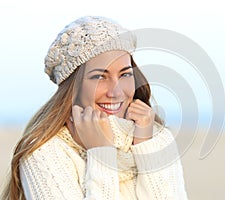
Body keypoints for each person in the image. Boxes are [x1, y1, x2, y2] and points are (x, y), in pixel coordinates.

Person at [1, 16, 188, 200]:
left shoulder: (155, 137)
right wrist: (101, 153)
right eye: (99, 77)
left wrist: (146, 145)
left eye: (125, 75)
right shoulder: (44, 152)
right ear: (72, 87)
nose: (116, 92)